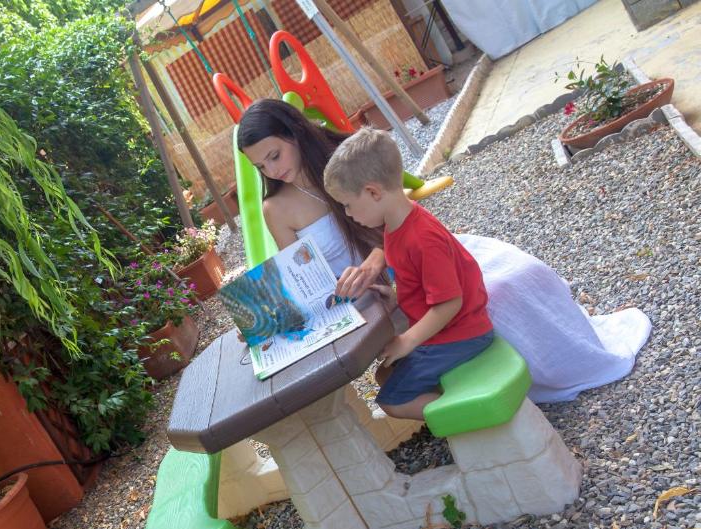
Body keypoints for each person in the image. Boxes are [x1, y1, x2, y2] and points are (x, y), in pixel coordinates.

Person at [237, 99, 651, 403]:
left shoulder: (344, 159)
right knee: (473, 308)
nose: (272, 171)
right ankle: (475, 398)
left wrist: (377, 260)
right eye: (260, 167)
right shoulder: (276, 208)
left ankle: (546, 367)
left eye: (274, 155)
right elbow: (304, 283)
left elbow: (401, 215)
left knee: (515, 280)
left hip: (409, 257)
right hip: (373, 299)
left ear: (294, 133)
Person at [321, 127, 494, 419]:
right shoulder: (395, 225)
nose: (348, 214)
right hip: (448, 331)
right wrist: (397, 297)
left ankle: (475, 417)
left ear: (373, 192)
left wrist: (408, 339)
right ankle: (451, 401)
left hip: (462, 334)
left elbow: (450, 303)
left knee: (392, 401)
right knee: (384, 377)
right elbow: (418, 281)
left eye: (347, 205)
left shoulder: (422, 238)